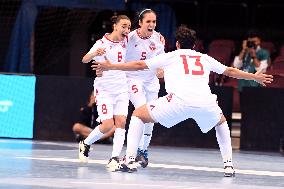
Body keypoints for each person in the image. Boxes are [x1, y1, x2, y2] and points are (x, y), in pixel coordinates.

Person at [92, 25, 273, 177]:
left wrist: (110, 65)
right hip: (205, 102)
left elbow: (139, 65)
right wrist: (254, 77)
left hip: (177, 102)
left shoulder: (171, 55)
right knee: (221, 122)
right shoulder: (204, 57)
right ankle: (228, 165)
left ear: (177, 44)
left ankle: (130, 160)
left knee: (139, 114)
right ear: (194, 45)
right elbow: (230, 71)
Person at [78, 14, 131, 172]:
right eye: (124, 26)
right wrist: (95, 54)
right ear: (115, 25)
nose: (127, 30)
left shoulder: (127, 41)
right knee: (108, 124)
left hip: (122, 88)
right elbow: (85, 59)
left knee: (121, 123)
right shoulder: (102, 43)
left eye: (129, 27)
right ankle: (85, 143)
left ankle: (114, 158)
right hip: (105, 90)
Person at [125, 8, 165, 168]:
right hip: (132, 79)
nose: (151, 24)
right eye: (148, 21)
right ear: (140, 23)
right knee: (142, 110)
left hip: (151, 81)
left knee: (151, 116)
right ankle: (131, 154)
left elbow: (160, 60)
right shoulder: (129, 38)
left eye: (153, 21)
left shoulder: (159, 39)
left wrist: (161, 69)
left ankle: (143, 150)